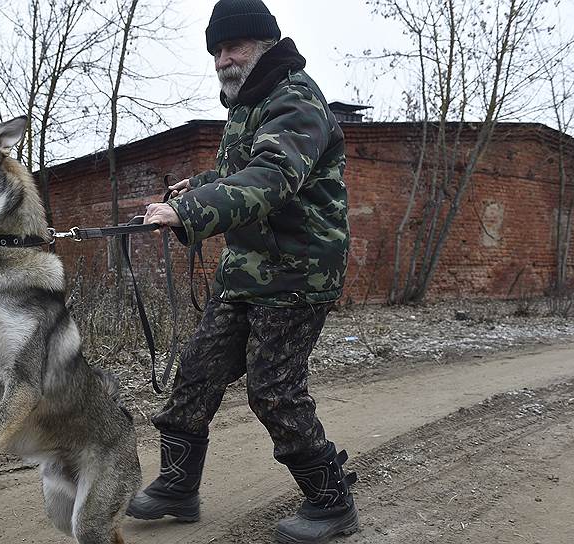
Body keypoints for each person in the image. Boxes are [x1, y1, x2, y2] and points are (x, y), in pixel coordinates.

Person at [131, 1, 358, 542]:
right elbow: (244, 169)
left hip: (297, 273)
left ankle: (331, 500)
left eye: (234, 47)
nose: (223, 59)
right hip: (246, 270)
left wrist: (189, 211)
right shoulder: (250, 102)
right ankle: (178, 486)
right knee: (197, 371)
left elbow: (275, 176)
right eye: (216, 50)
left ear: (263, 46)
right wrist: (202, 183)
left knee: (273, 388)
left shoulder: (297, 101)